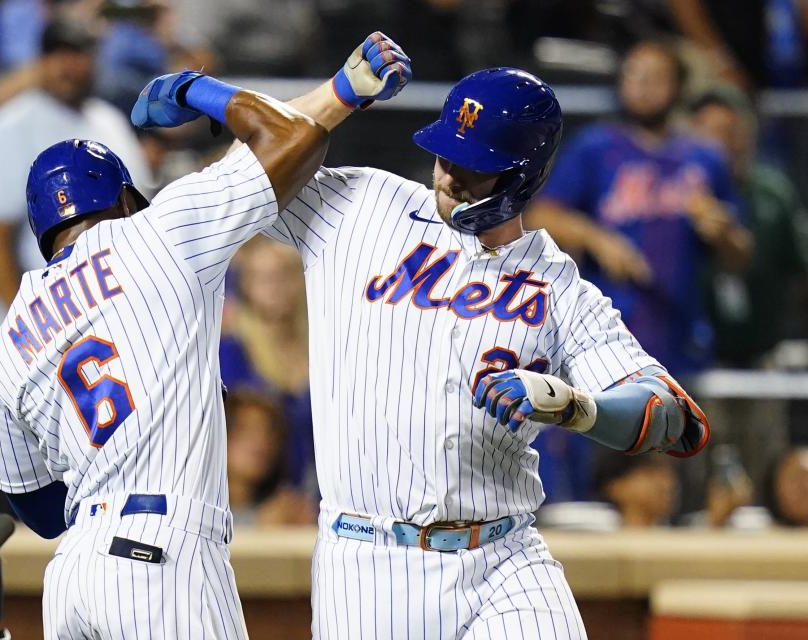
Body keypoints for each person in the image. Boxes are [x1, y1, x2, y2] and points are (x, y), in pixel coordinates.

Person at [0, 34, 410, 639]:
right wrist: (192, 88)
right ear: (128, 197)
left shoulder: (2, 347)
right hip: (163, 560)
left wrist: (341, 91)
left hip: (72, 576)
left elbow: (38, 509)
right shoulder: (156, 235)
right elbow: (289, 139)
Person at [263, 66, 710, 638]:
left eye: (474, 167)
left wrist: (576, 408)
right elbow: (249, 173)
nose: (449, 175)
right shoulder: (362, 204)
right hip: (368, 561)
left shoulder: (558, 288)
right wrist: (336, 96)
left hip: (504, 554)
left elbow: (673, 419)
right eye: (446, 154)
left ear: (523, 178)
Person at [525, 40, 751, 377]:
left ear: (678, 86)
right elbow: (540, 215)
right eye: (633, 75)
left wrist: (722, 232)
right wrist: (596, 237)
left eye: (655, 77)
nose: (642, 87)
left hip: (680, 329)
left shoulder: (704, 158)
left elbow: (740, 255)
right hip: (605, 327)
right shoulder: (595, 146)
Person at [0, 17, 153, 334]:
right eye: (56, 54)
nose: (66, 66)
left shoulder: (110, 122)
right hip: (43, 319)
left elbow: (139, 216)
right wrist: (30, 326)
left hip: (117, 315)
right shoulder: (8, 128)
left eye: (76, 54)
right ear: (41, 61)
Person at [689, 88, 808, 367]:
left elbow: (800, 272)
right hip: (692, 359)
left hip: (764, 353)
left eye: (730, 131)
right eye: (709, 131)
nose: (720, 142)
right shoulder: (671, 194)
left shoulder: (772, 191)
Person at [221, 236, 315, 490]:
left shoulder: (322, 345)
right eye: (263, 278)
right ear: (245, 285)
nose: (275, 287)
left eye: (284, 275)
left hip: (320, 489)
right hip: (257, 496)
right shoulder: (232, 351)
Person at [225, 389, 316, 527]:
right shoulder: (196, 504)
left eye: (269, 432)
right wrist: (259, 523)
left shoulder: (287, 509)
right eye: (245, 429)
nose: (261, 442)